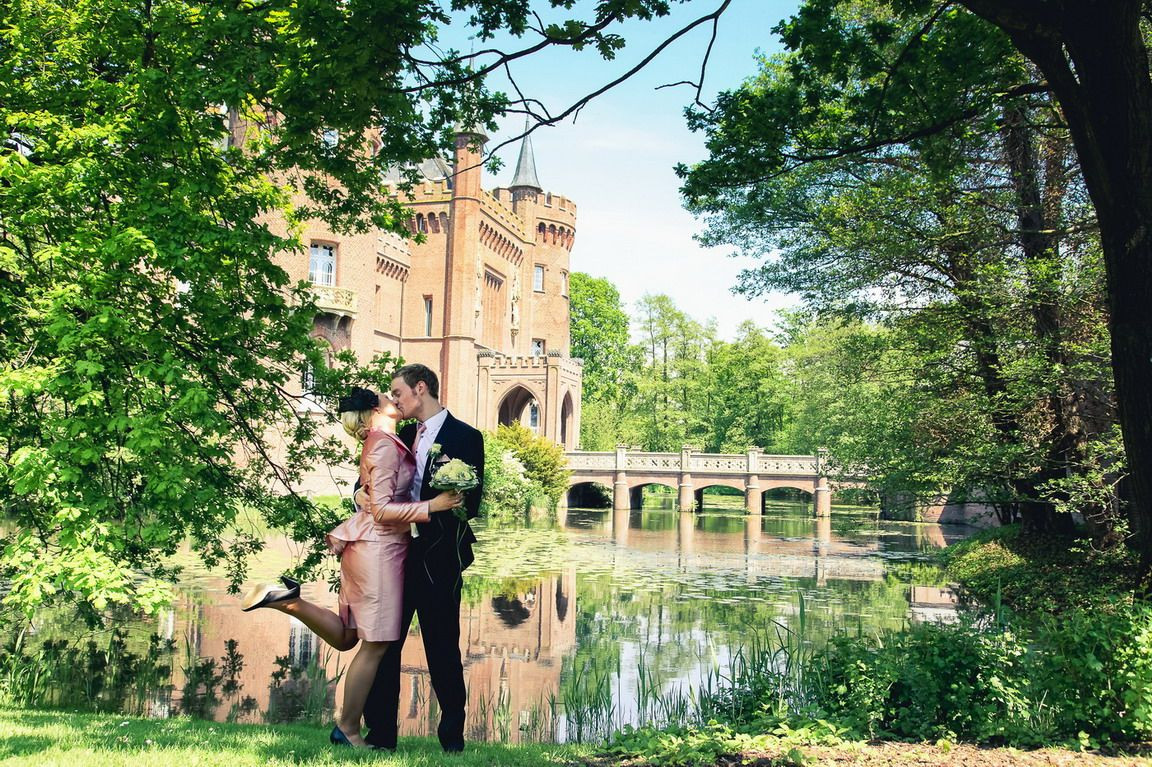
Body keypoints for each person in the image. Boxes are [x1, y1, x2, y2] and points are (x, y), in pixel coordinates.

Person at [240, 386, 462, 747]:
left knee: (348, 635)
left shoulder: (382, 440)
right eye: (388, 396)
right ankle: (348, 728)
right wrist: (432, 507)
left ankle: (287, 600)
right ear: (376, 409)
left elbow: (373, 494)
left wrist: (365, 493)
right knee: (374, 645)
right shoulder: (385, 444)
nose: (394, 399)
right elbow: (383, 510)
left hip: (371, 547)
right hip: (380, 550)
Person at [363, 364, 485, 752]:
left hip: (440, 559)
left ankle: (452, 740)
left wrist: (444, 502)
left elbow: (473, 504)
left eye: (398, 393)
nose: (394, 400)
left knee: (443, 649)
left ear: (420, 388)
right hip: (393, 558)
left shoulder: (466, 437)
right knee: (386, 645)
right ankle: (381, 736)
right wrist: (359, 497)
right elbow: (365, 483)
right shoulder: (399, 436)